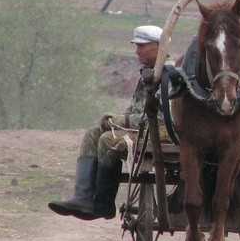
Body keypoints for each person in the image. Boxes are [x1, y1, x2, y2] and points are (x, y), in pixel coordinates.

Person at [48, 25, 163, 221]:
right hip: (140, 128)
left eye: (142, 46)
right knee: (94, 133)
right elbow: (135, 109)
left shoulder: (167, 75)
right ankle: (82, 197)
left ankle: (103, 203)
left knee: (107, 140)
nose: (137, 51)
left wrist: (122, 121)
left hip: (158, 132)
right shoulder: (148, 73)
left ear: (159, 47)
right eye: (137, 46)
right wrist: (115, 118)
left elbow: (160, 117)